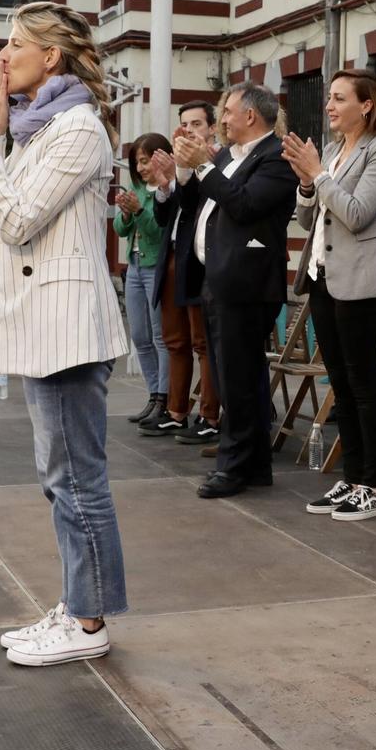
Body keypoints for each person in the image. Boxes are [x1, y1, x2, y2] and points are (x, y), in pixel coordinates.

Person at [0, 0, 131, 667]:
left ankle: (89, 621)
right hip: (41, 323)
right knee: (60, 475)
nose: (3, 56)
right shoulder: (34, 127)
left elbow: (19, 218)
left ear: (51, 57)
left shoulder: (78, 128)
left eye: (16, 43)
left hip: (66, 329)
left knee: (75, 476)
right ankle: (77, 602)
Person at [287, 69, 376, 521]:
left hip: (359, 282)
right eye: (329, 98)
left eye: (339, 98)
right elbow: (305, 218)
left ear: (366, 104)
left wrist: (319, 176)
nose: (330, 106)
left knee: (364, 385)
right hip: (322, 278)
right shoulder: (333, 151)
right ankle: (352, 479)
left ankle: (373, 486)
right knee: (340, 385)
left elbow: (356, 215)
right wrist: (306, 181)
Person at [186, 84, 298, 498]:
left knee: (237, 379)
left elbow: (245, 205)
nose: (222, 120)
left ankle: (233, 466)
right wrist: (188, 169)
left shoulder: (277, 158)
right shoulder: (228, 157)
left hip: (246, 282)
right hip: (218, 277)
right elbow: (204, 202)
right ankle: (255, 466)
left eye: (228, 111)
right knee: (236, 376)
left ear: (251, 116)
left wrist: (203, 168)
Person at [147, 99, 222, 443]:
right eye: (185, 125)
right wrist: (164, 185)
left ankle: (209, 415)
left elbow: (197, 205)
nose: (189, 130)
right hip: (174, 256)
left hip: (200, 260)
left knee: (201, 342)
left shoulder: (218, 162)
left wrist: (184, 171)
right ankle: (177, 412)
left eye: (197, 124)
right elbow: (166, 217)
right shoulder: (183, 164)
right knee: (174, 340)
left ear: (212, 128)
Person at [112, 132, 172, 428]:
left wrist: (137, 210)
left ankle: (165, 397)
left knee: (160, 336)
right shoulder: (136, 187)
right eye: (137, 162)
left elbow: (159, 231)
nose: (141, 167)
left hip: (155, 266)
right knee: (139, 336)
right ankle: (153, 394)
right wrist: (125, 214)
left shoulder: (164, 189)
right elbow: (121, 230)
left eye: (145, 160)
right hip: (134, 267)